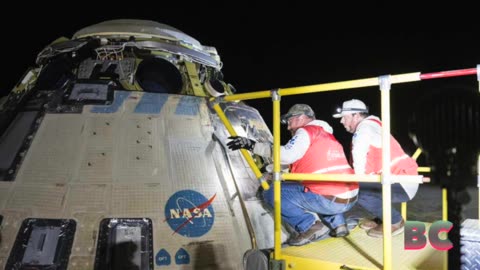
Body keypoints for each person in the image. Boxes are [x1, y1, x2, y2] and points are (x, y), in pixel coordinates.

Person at [227, 104, 359, 246]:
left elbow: (287, 155)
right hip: (349, 196)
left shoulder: (306, 131)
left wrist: (252, 145)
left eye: (289, 122)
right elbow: (300, 162)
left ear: (301, 118)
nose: (288, 127)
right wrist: (271, 170)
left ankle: (309, 226)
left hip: (329, 199)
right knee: (318, 188)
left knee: (272, 192)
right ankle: (339, 225)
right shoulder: (325, 135)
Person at [332, 99, 419, 238]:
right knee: (365, 189)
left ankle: (395, 221)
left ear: (356, 115)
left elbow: (358, 155)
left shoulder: (364, 129)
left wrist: (357, 183)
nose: (341, 121)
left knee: (360, 193)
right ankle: (382, 218)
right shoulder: (373, 126)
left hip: (401, 182)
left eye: (344, 117)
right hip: (402, 178)